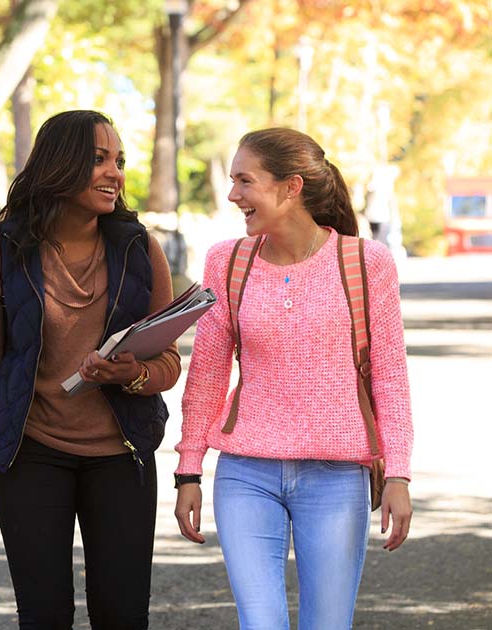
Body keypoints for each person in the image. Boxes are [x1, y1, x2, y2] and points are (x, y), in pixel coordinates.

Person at [174, 127, 413, 629]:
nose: (233, 194)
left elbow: (389, 376)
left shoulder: (366, 263)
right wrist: (189, 470)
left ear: (291, 187)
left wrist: (397, 473)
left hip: (336, 477)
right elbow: (209, 372)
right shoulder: (228, 261)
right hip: (246, 473)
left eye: (246, 180)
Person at [0, 110, 181, 630]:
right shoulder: (0, 252)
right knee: (45, 616)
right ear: (60, 164)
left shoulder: (140, 249)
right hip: (30, 454)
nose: (114, 173)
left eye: (118, 161)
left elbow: (168, 363)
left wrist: (128, 375)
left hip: (120, 456)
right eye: (99, 159)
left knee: (122, 616)